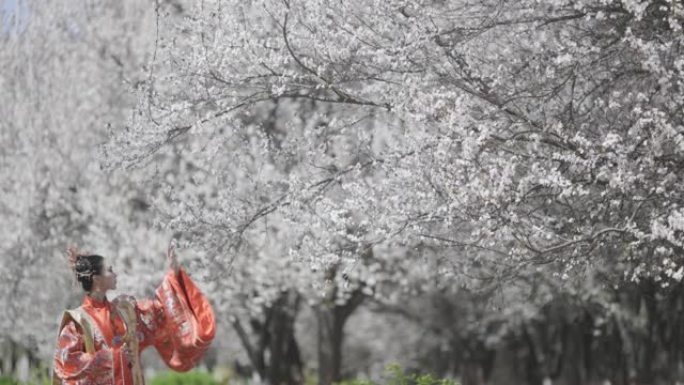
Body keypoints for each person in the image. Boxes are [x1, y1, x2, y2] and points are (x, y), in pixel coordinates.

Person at [52, 242, 216, 385]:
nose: (115, 274)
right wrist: (112, 358)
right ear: (96, 279)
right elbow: (65, 362)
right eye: (109, 270)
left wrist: (175, 275)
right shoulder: (78, 322)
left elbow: (160, 313)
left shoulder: (126, 311)